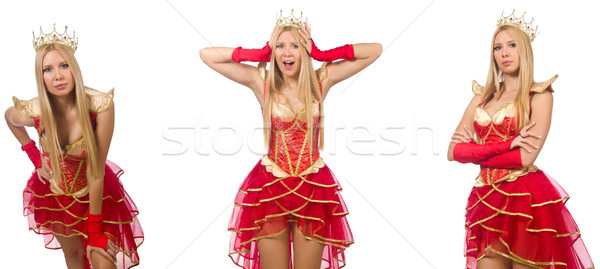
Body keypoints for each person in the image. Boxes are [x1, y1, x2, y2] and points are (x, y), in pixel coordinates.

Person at [200, 10, 381, 269]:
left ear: (304, 50)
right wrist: (258, 53)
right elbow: (207, 55)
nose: (287, 53)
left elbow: (375, 50)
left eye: (295, 46)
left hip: (313, 189)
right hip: (270, 190)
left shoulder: (321, 81)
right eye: (280, 46)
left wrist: (323, 55)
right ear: (273, 51)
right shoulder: (261, 82)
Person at [447, 11, 594, 268]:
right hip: (486, 199)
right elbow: (454, 151)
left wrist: (478, 151)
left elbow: (525, 157)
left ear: (524, 50)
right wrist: (507, 144)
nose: (504, 53)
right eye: (498, 47)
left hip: (525, 198)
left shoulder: (539, 96)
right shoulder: (481, 97)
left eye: (512, 45)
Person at [5, 24, 143, 269]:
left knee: (102, 261)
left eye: (63, 66)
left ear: (74, 69)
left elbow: (96, 172)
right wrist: (36, 159)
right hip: (55, 197)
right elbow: (8, 116)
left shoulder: (99, 105)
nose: (57, 75)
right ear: (41, 77)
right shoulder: (36, 110)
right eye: (48, 69)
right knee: (74, 258)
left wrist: (95, 230)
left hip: (96, 196)